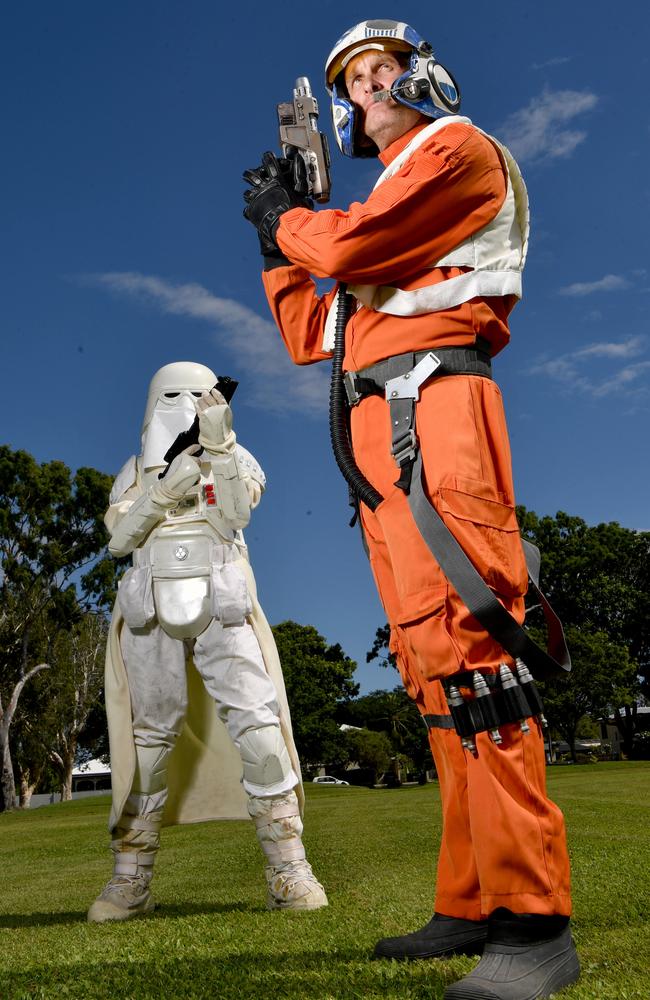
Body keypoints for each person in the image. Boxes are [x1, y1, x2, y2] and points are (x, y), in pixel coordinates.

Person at [242, 19, 579, 1000]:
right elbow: (313, 330)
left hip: (438, 410)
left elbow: (349, 246)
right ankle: (467, 898)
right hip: (378, 438)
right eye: (354, 78)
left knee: (478, 663)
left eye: (382, 67)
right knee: (432, 678)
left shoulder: (456, 151)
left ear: (426, 74)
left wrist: (292, 225)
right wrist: (272, 246)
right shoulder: (384, 206)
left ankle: (535, 927)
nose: (368, 85)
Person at [88, 361, 327, 922]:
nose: (182, 403)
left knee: (259, 728)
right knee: (147, 743)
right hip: (148, 609)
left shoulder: (237, 456)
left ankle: (289, 868)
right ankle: (130, 878)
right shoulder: (133, 470)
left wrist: (217, 450)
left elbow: (236, 515)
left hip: (222, 601)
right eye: (170, 393)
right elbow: (120, 540)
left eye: (194, 394)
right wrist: (162, 491)